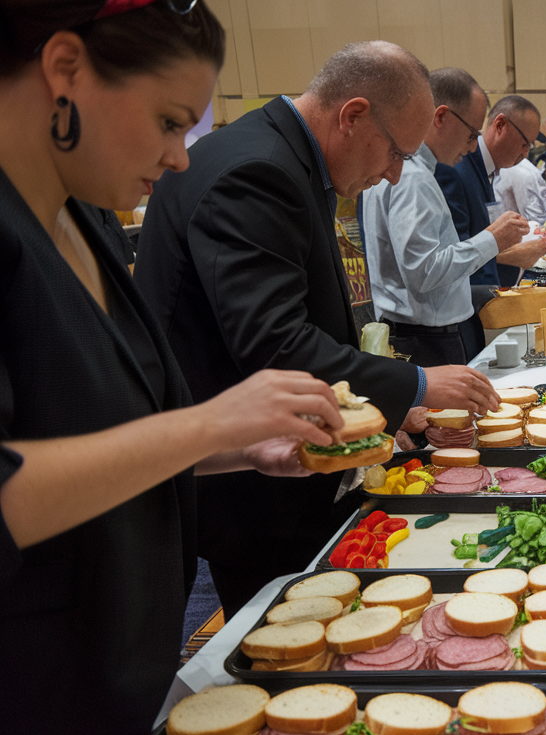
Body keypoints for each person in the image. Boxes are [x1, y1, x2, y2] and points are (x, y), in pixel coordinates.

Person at [0, 0, 348, 735]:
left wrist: (238, 449)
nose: (178, 158)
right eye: (166, 122)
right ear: (64, 71)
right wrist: (210, 423)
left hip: (117, 688)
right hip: (29, 726)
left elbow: (105, 435)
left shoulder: (81, 215)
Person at [137, 41, 500, 619]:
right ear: (353, 116)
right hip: (251, 485)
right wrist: (417, 385)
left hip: (273, 459)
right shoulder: (257, 170)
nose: (392, 173)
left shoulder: (282, 155)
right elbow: (276, 344)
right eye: (395, 151)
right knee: (284, 638)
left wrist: (377, 402)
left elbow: (314, 314)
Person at [359, 67, 528, 368]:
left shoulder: (409, 169)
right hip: (425, 340)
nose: (473, 146)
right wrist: (492, 240)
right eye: (471, 133)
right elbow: (423, 271)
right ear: (441, 117)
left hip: (417, 333)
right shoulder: (411, 178)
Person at [446, 94, 546, 288]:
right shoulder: (459, 168)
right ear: (500, 126)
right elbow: (453, 254)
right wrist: (506, 250)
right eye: (525, 143)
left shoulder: (486, 169)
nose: (526, 153)